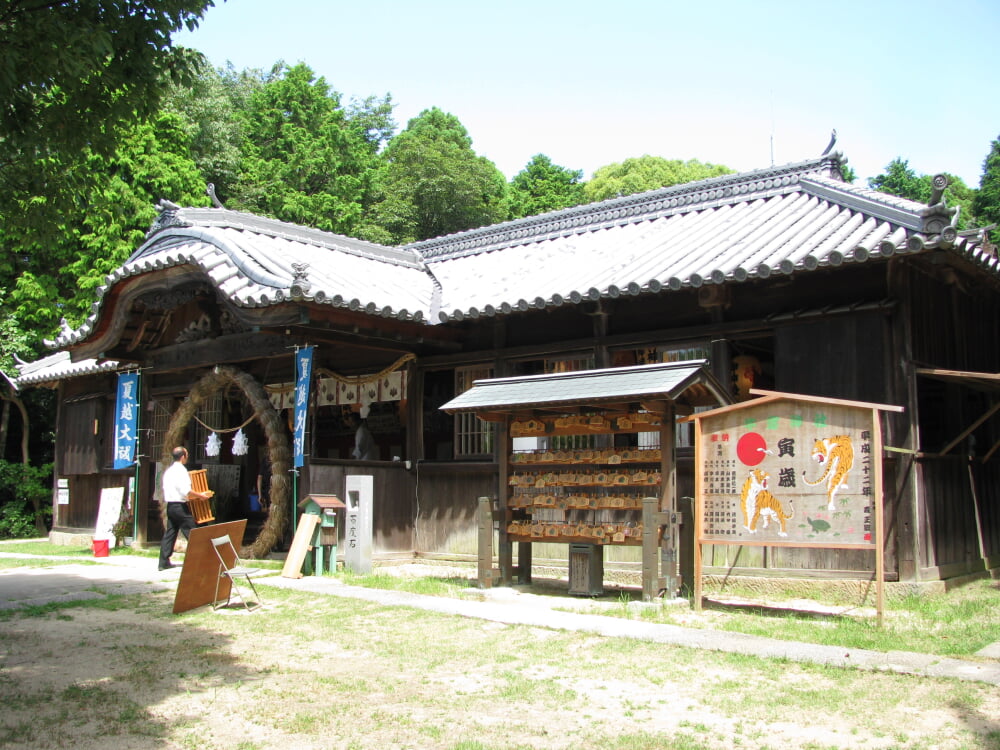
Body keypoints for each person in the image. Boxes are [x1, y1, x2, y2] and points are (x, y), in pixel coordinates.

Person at [158, 446, 211, 571]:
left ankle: (163, 562)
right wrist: (201, 496)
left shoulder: (169, 470)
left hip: (170, 506)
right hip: (179, 506)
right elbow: (186, 491)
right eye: (186, 455)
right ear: (183, 457)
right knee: (193, 533)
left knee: (170, 533)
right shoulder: (181, 471)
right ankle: (200, 560)